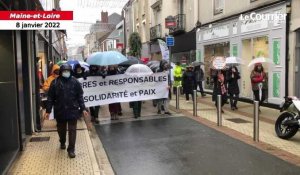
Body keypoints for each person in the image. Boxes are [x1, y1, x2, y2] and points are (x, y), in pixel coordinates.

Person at [45, 64, 88, 158]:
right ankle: (62, 141)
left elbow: (80, 96)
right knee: (61, 129)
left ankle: (71, 149)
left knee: (72, 130)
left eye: (68, 71)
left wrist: (83, 108)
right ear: (61, 72)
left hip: (73, 109)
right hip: (60, 110)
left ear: (70, 71)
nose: (66, 72)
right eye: (64, 71)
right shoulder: (55, 82)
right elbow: (50, 98)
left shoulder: (75, 82)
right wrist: (48, 111)